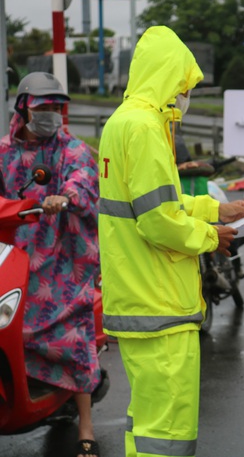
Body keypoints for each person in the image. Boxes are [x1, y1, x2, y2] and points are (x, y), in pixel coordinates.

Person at [98, 26, 244, 457]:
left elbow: (153, 202)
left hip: (136, 294)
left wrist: (215, 210)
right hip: (159, 301)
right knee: (166, 430)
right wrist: (212, 236)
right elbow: (159, 222)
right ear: (169, 78)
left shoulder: (122, 122)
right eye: (184, 85)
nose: (185, 95)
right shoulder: (146, 127)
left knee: (146, 422)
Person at [0, 72, 102, 457]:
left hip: (61, 257)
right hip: (12, 256)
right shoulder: (4, 152)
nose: (52, 115)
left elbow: (83, 179)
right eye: (43, 107)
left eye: (57, 108)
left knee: (74, 337)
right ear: (23, 109)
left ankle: (86, 428)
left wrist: (67, 195)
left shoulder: (70, 149)